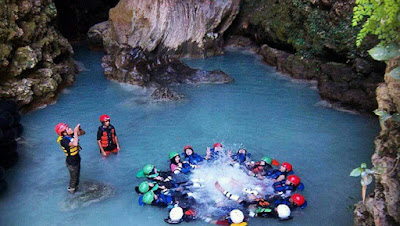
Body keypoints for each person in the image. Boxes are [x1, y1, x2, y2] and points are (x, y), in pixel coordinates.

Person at [55, 122, 85, 193]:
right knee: (73, 180)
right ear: (64, 133)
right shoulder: (63, 141)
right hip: (71, 163)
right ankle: (71, 192)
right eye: (68, 128)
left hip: (76, 159)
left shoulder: (70, 135)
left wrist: (78, 130)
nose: (70, 128)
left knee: (77, 177)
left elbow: (83, 133)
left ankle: (76, 189)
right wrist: (75, 132)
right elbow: (75, 143)